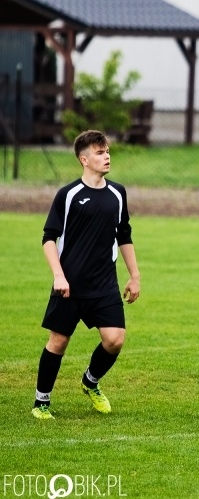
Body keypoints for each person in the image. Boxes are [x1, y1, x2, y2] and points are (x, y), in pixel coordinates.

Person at [32, 130, 141, 420]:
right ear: (84, 159)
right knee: (58, 341)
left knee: (115, 339)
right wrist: (58, 275)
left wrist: (134, 275)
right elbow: (48, 238)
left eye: (107, 151)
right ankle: (41, 402)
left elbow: (124, 235)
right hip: (69, 284)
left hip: (105, 283)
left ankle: (90, 382)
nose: (106, 156)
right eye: (99, 152)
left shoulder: (118, 193)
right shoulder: (68, 196)